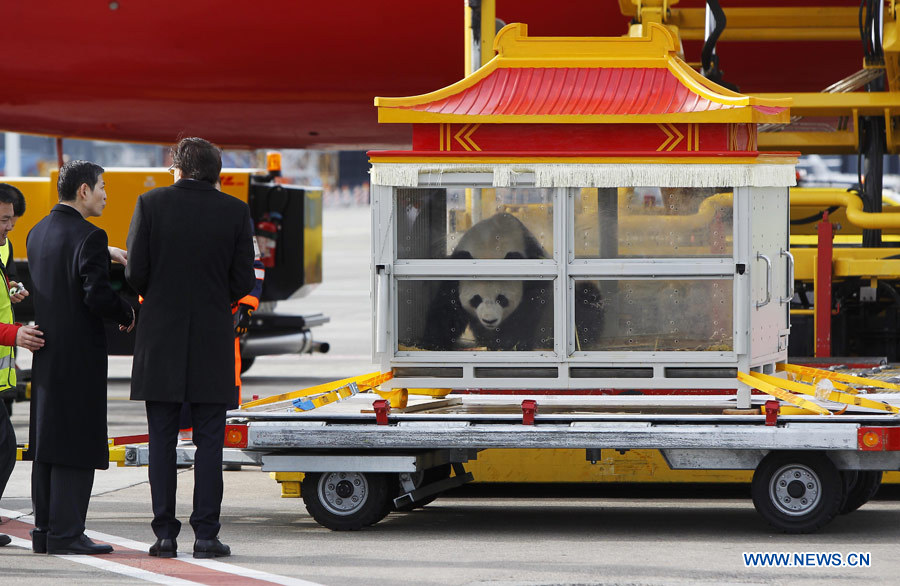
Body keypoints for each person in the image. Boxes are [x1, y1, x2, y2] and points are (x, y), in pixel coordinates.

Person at [126, 137, 254, 559]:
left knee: (161, 441)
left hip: (160, 338)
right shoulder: (236, 211)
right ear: (217, 171)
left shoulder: (150, 204)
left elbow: (136, 274)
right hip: (212, 341)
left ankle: (164, 534)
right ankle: (206, 535)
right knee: (210, 445)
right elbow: (242, 283)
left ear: (177, 168)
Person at [26, 161, 135, 555]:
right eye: (103, 187)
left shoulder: (37, 232)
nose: (107, 194)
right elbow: (95, 295)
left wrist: (103, 252)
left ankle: (45, 531)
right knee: (77, 441)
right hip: (79, 355)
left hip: (46, 352)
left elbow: (63, 268)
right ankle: (69, 533)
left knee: (48, 442)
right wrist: (127, 313)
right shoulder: (90, 234)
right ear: (84, 190)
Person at [0, 184, 45, 548]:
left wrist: (12, 287)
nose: (7, 228)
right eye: (2, 220)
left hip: (1, 375)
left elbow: (6, 279)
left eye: (12, 221)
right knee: (4, 447)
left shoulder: (4, 244)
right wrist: (13, 334)